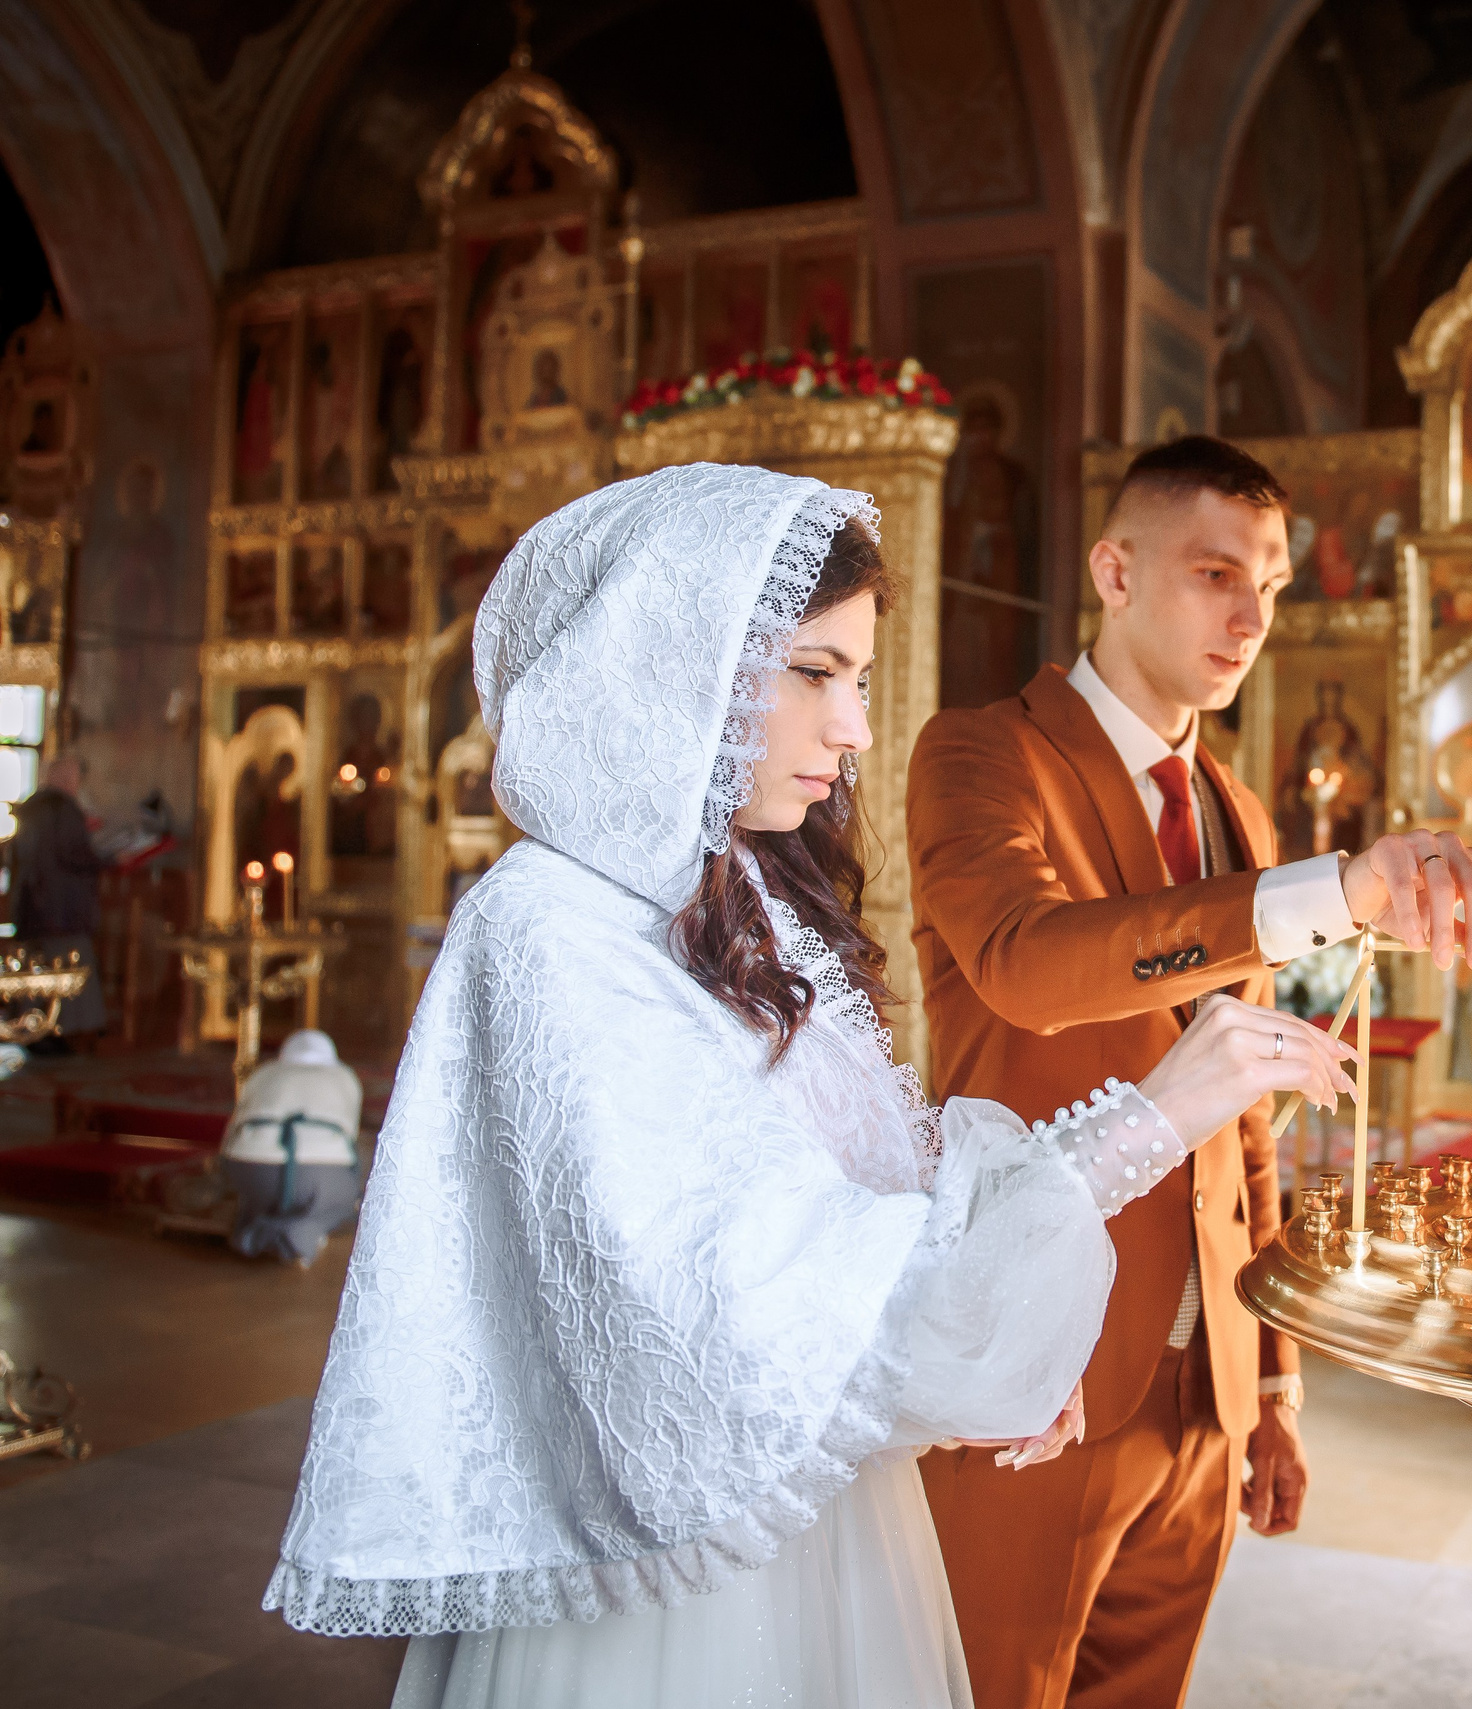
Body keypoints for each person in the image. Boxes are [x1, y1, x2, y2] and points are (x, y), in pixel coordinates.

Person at [265, 463, 1357, 1709]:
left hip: (838, 1527)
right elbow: (763, 1291)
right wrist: (1155, 1112)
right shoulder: (550, 925)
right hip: (687, 1585)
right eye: (815, 674)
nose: (856, 730)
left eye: (857, 679)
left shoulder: (751, 905)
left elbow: (886, 1201)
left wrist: (1008, 1308)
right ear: (685, 658)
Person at [908, 433, 1472, 1709]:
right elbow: (1025, 962)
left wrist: (1275, 1377)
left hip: (1207, 1379)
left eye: (1274, 584)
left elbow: (1243, 1107)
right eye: (1215, 573)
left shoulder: (1236, 811)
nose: (1253, 616)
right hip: (1043, 1358)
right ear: (1114, 571)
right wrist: (1338, 889)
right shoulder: (981, 753)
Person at [220, 1029, 363, 1266]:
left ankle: (255, 1231)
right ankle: (298, 1232)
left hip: (251, 1167)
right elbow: (351, 1131)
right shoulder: (344, 1076)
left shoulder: (263, 1074)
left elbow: (235, 1124)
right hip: (321, 1171)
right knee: (346, 1194)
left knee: (257, 1196)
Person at [8, 754, 105, 1048]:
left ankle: (34, 1031)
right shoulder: (62, 809)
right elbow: (74, 855)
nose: (77, 784)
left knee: (37, 967)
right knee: (63, 969)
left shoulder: (31, 808)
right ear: (65, 779)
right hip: (62, 911)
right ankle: (54, 1032)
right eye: (74, 778)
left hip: (32, 907)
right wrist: (107, 859)